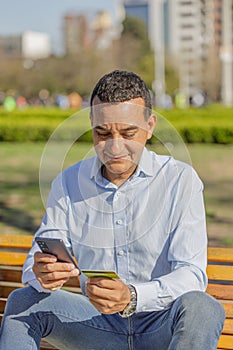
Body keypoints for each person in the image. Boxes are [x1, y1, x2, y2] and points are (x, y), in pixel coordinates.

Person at [0, 70, 225, 350]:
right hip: (95, 324)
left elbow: (191, 275)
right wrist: (42, 273)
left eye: (128, 133)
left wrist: (132, 296)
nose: (115, 147)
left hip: (160, 326)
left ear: (150, 125)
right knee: (21, 301)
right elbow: (37, 260)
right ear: (91, 124)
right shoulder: (69, 182)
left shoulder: (180, 180)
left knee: (203, 308)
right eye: (103, 133)